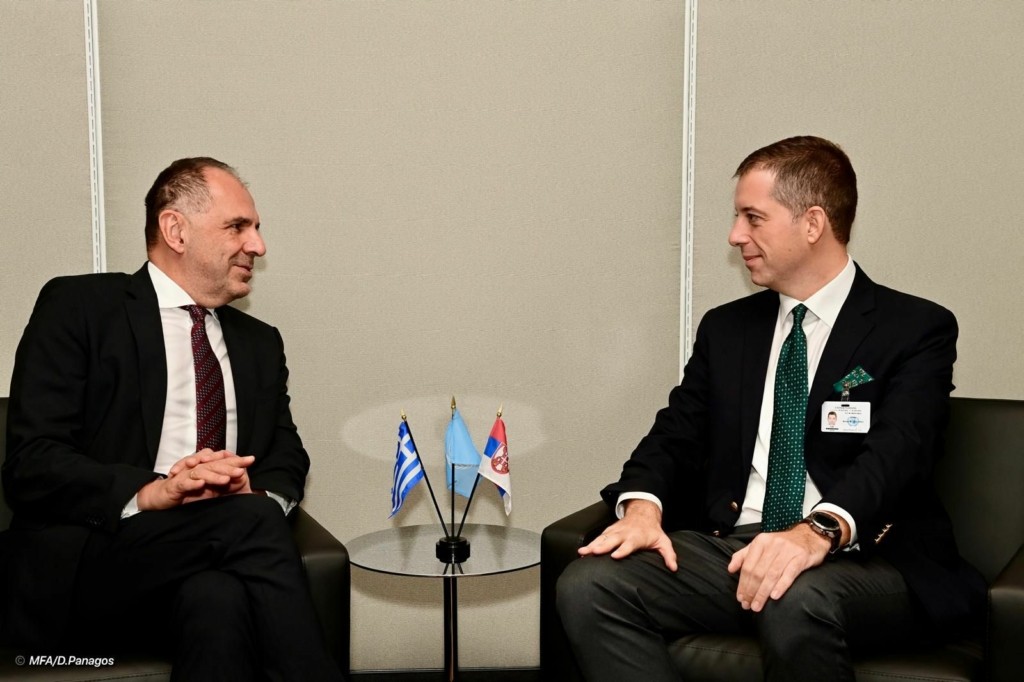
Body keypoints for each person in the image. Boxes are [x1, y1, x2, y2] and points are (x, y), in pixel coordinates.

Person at [556, 136, 984, 681]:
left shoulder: (914, 328)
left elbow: (899, 453)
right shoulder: (728, 329)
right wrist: (643, 507)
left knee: (794, 594)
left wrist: (815, 532)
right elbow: (674, 435)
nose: (735, 235)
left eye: (753, 218)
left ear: (813, 223)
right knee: (591, 584)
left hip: (868, 557)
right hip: (736, 547)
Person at [1, 158, 345, 681]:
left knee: (218, 596)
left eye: (256, 228)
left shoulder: (259, 343)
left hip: (207, 557)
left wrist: (254, 491)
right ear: (175, 230)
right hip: (95, 561)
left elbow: (285, 453)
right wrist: (151, 492)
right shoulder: (81, 307)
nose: (257, 245)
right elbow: (33, 462)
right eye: (237, 227)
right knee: (252, 520)